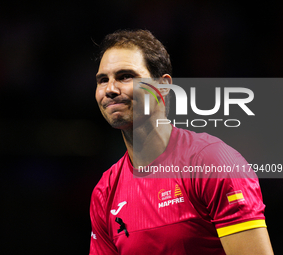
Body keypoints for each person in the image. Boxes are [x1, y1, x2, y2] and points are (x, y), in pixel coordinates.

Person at [89, 29, 273, 255]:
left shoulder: (213, 163)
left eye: (125, 76)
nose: (110, 90)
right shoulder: (105, 192)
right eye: (102, 80)